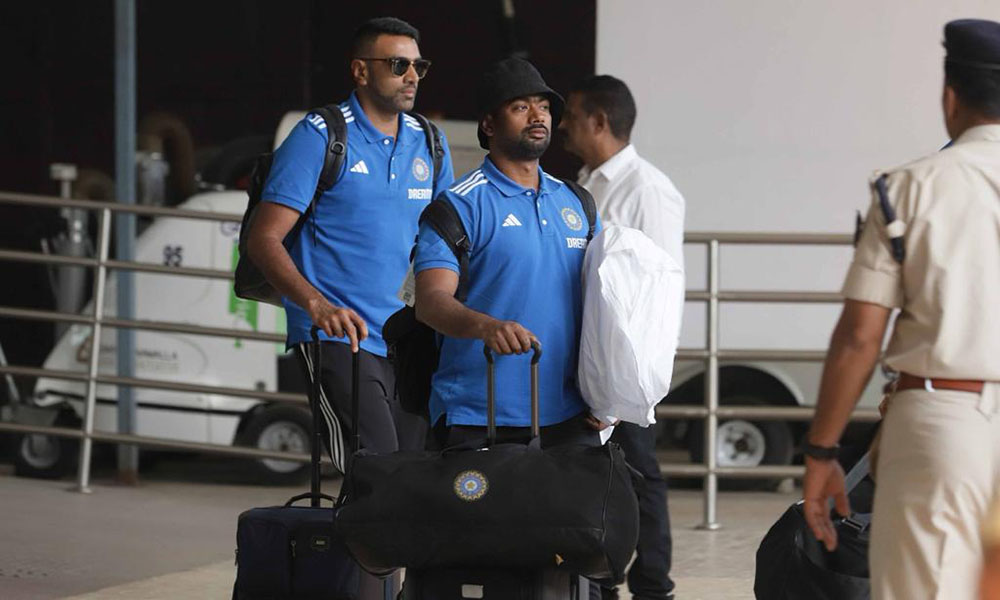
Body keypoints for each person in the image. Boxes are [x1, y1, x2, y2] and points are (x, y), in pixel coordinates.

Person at [802, 19, 1000, 600]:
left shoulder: (909, 186)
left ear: (950, 96)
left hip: (943, 418)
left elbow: (861, 336)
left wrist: (821, 453)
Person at [246, 16, 454, 472]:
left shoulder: (431, 143)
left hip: (407, 337)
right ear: (361, 71)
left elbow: (445, 244)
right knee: (375, 471)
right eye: (399, 64)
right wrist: (316, 307)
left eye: (419, 66)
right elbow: (264, 238)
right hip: (339, 334)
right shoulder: (319, 135)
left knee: (415, 473)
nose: (412, 76)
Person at [413, 56, 602, 450]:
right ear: (488, 124)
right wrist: (487, 327)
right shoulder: (459, 206)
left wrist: (610, 391)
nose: (538, 116)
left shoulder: (577, 202)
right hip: (480, 413)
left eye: (544, 107)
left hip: (572, 412)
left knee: (585, 512)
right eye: (520, 107)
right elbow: (430, 302)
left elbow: (607, 302)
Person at [560, 74, 682, 600]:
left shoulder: (648, 190)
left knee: (639, 475)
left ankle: (653, 584)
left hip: (622, 365)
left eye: (571, 116)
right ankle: (602, 580)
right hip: (586, 356)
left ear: (599, 121)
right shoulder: (586, 182)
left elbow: (654, 293)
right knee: (597, 475)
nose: (562, 125)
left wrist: (622, 386)